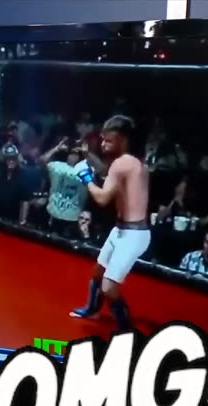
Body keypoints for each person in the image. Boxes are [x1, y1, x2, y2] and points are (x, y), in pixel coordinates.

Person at [70, 115, 149, 330]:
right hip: (123, 230)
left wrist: (86, 177)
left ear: (122, 140)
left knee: (109, 288)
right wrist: (89, 158)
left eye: (109, 141)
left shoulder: (121, 164)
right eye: (103, 140)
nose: (103, 144)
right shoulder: (134, 161)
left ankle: (127, 331)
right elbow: (108, 175)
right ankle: (93, 310)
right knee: (98, 272)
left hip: (132, 235)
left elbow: (103, 199)